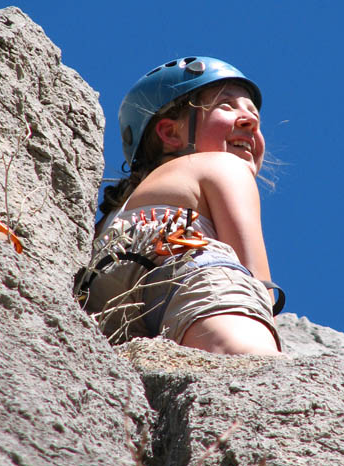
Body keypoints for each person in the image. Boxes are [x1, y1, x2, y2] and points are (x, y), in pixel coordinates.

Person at [77, 57, 284, 355]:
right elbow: (256, 282)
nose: (250, 121)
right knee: (254, 368)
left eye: (254, 115)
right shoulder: (221, 165)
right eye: (226, 106)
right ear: (170, 133)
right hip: (181, 266)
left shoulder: (111, 214)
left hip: (104, 299)